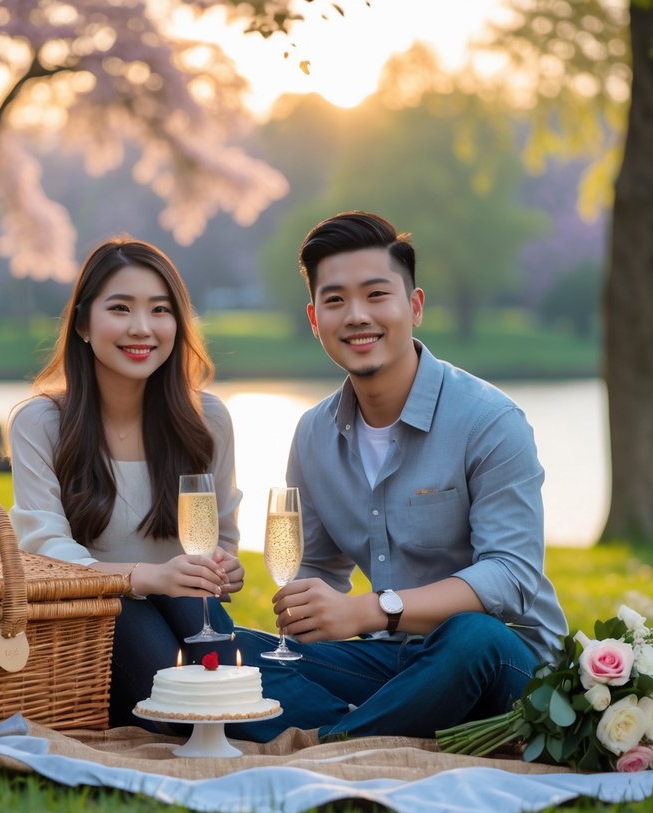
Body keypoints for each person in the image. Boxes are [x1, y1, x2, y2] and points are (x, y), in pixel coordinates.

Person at [231, 210, 568, 742]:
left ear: (414, 307)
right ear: (315, 319)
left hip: (507, 663)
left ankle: (333, 741)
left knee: (472, 636)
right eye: (335, 300)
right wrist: (304, 618)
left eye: (376, 295)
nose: (357, 315)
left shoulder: (489, 421)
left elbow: (510, 576)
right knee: (233, 653)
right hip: (394, 664)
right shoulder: (313, 434)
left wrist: (370, 610)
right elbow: (319, 567)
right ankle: (379, 723)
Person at [8, 237, 244, 729]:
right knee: (177, 681)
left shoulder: (208, 420)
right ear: (83, 325)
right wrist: (145, 577)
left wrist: (223, 569)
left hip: (182, 610)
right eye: (120, 308)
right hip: (86, 622)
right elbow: (41, 551)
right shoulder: (41, 423)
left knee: (213, 653)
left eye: (160, 310)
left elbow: (219, 538)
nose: (142, 328)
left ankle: (335, 723)